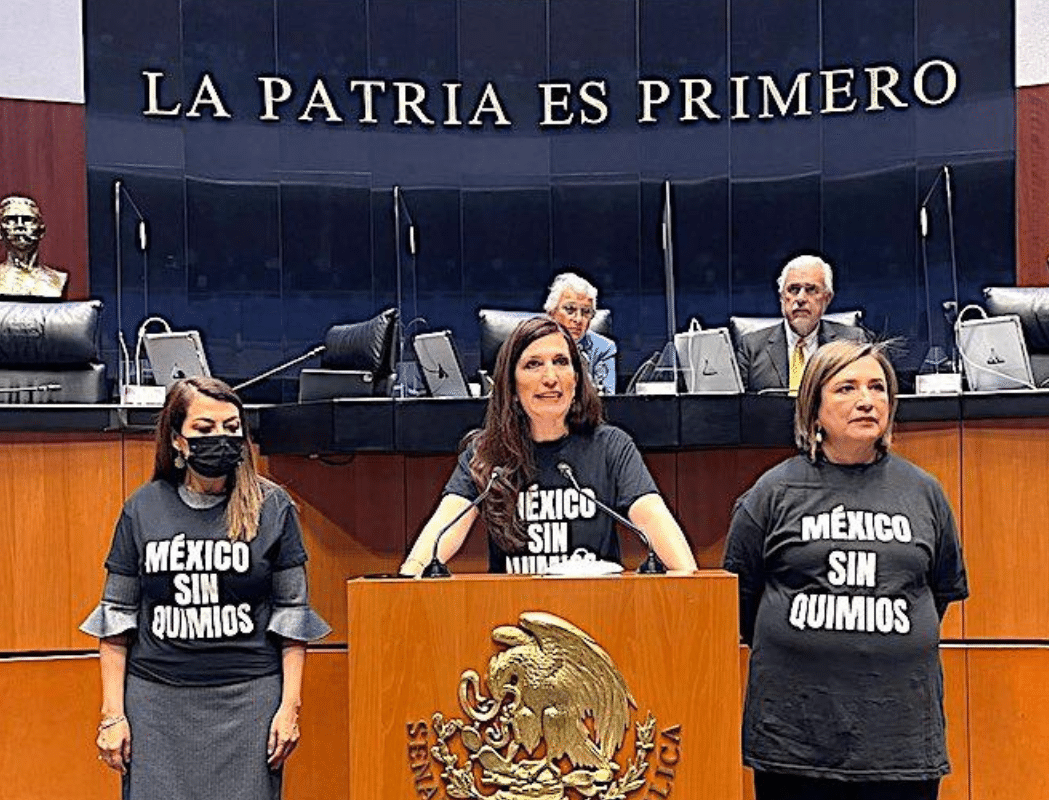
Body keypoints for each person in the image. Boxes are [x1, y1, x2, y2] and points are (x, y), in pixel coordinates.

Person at [722, 340, 968, 800]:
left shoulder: (924, 492)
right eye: (846, 388)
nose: (866, 400)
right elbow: (740, 598)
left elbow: (938, 593)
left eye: (878, 387)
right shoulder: (772, 493)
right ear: (813, 409)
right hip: (795, 740)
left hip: (899, 743)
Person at [80, 376, 330, 800]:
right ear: (177, 440)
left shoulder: (273, 507)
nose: (221, 438)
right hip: (156, 704)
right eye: (204, 428)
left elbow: (292, 617)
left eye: (232, 428)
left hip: (248, 702)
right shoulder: (142, 507)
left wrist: (290, 708)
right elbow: (116, 620)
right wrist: (112, 715)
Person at [399, 315, 696, 576]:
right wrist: (407, 579)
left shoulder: (612, 448)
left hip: (596, 613)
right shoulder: (486, 453)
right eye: (533, 364)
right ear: (511, 386)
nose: (551, 378)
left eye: (561, 362)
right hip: (512, 616)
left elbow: (676, 556)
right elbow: (433, 543)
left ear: (576, 379)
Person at [736, 254, 866, 394]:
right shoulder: (751, 347)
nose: (801, 298)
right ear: (782, 297)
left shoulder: (852, 342)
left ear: (827, 298)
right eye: (793, 289)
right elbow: (738, 404)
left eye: (811, 289)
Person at [0, 195, 69, 297]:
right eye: (11, 220)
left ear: (41, 231)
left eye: (28, 220)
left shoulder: (58, 279)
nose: (20, 226)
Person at [544, 272, 618, 394]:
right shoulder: (533, 345)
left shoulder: (603, 348)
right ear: (552, 312)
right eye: (570, 309)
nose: (578, 319)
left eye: (586, 312)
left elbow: (607, 398)